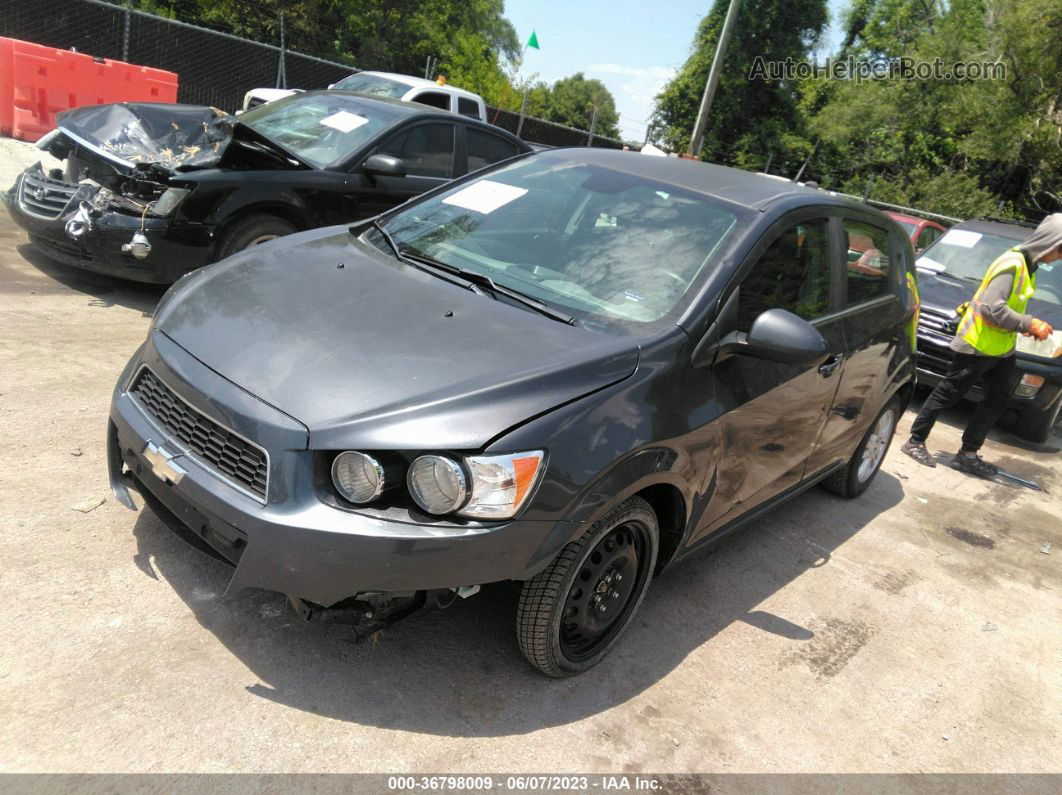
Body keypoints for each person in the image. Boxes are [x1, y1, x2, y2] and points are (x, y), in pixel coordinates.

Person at [901, 213, 1062, 474]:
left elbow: (1008, 308)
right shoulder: (1012, 264)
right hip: (976, 345)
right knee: (948, 394)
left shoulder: (1028, 266)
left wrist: (1024, 325)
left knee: (998, 399)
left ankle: (968, 453)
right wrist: (1029, 324)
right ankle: (915, 442)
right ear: (1050, 242)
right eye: (1061, 249)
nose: (1060, 256)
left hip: (1000, 347)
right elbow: (990, 309)